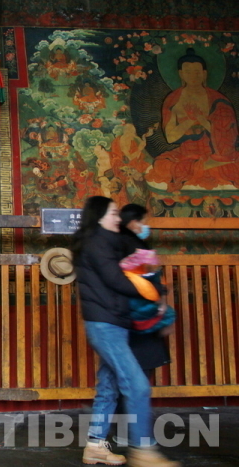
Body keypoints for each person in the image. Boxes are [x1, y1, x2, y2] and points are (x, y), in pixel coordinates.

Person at [72, 196, 180, 467]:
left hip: (114, 323)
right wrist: (153, 292)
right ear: (99, 216)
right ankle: (144, 451)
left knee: (109, 387)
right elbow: (116, 280)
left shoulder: (107, 241)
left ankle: (95, 446)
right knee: (138, 385)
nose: (117, 218)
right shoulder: (97, 243)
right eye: (113, 213)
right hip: (105, 325)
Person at [147, 48, 239, 191]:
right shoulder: (173, 100)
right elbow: (170, 138)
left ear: (204, 74)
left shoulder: (218, 100)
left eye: (197, 71)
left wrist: (201, 119)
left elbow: (228, 136)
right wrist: (189, 120)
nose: (193, 75)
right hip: (186, 154)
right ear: (181, 74)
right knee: (161, 166)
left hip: (215, 155)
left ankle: (199, 168)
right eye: (188, 71)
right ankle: (201, 167)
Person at [119, 204, 173, 371]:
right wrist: (161, 300)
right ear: (133, 222)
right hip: (140, 308)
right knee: (141, 363)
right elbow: (150, 275)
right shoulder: (135, 245)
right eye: (143, 221)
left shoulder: (116, 242)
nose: (145, 226)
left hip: (124, 311)